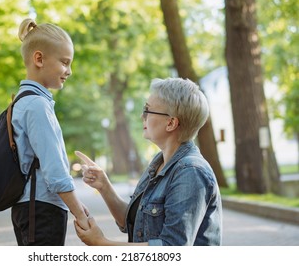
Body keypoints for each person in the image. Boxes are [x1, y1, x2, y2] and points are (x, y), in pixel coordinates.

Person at [75, 77, 222, 246]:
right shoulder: (159, 162)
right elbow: (133, 223)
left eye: (147, 110)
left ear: (171, 123)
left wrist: (102, 244)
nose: (141, 116)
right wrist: (104, 186)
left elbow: (172, 248)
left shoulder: (191, 172)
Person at [11, 18, 89, 246]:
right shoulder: (37, 105)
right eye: (65, 62)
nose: (69, 71)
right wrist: (81, 214)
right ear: (39, 59)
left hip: (31, 208)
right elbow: (54, 172)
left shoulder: (23, 102)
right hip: (41, 210)